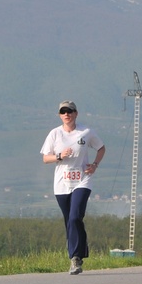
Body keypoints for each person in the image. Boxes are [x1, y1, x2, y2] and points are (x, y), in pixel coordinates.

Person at [40, 100, 106, 275]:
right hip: (62, 184)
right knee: (70, 220)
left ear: (76, 113)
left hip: (82, 181)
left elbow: (101, 148)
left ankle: (75, 259)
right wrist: (60, 156)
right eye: (63, 111)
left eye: (70, 111)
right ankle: (80, 251)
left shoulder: (86, 132)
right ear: (59, 115)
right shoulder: (55, 134)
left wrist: (94, 165)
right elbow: (46, 158)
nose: (66, 114)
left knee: (75, 217)